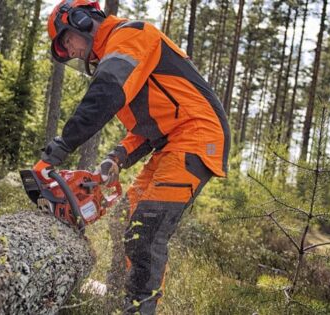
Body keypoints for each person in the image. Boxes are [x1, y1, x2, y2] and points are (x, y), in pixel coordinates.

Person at [34, 0, 231, 313]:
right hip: (171, 140)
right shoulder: (120, 52)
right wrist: (117, 157)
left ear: (83, 20)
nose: (71, 51)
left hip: (196, 136)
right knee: (126, 220)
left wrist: (58, 150)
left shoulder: (131, 36)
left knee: (146, 229)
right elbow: (148, 125)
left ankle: (138, 309)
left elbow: (104, 96)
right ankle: (116, 298)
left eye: (67, 41)